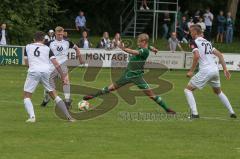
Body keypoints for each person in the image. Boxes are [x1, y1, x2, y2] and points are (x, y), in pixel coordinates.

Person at [83, 33, 176, 114]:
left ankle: (167, 108)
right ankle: (92, 96)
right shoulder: (145, 48)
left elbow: (133, 51)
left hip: (137, 76)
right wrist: (153, 48)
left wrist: (123, 48)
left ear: (144, 42)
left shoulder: (144, 51)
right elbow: (148, 46)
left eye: (139, 41)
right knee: (111, 88)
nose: (138, 43)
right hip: (127, 74)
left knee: (151, 94)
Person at [184, 25, 236, 119]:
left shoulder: (194, 42)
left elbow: (196, 56)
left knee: (188, 90)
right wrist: (225, 69)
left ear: (195, 32)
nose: (190, 33)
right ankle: (232, 112)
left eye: (191, 31)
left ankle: (194, 114)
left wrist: (191, 71)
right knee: (218, 91)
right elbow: (220, 55)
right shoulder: (207, 42)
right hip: (215, 70)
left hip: (205, 70)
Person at [23, 31, 75, 122]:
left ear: (34, 39)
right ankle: (68, 117)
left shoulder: (27, 47)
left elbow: (26, 62)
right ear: (43, 40)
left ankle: (32, 117)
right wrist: (63, 77)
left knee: (27, 96)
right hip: (46, 72)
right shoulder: (47, 48)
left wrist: (31, 67)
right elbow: (57, 64)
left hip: (33, 71)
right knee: (54, 95)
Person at [40, 26, 83, 109]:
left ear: (63, 33)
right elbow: (42, 50)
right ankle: (46, 99)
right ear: (55, 34)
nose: (60, 36)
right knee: (48, 86)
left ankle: (67, 101)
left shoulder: (67, 42)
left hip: (63, 66)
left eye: (61, 34)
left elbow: (76, 48)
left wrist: (80, 58)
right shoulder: (50, 43)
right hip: (51, 67)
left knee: (66, 81)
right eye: (58, 34)